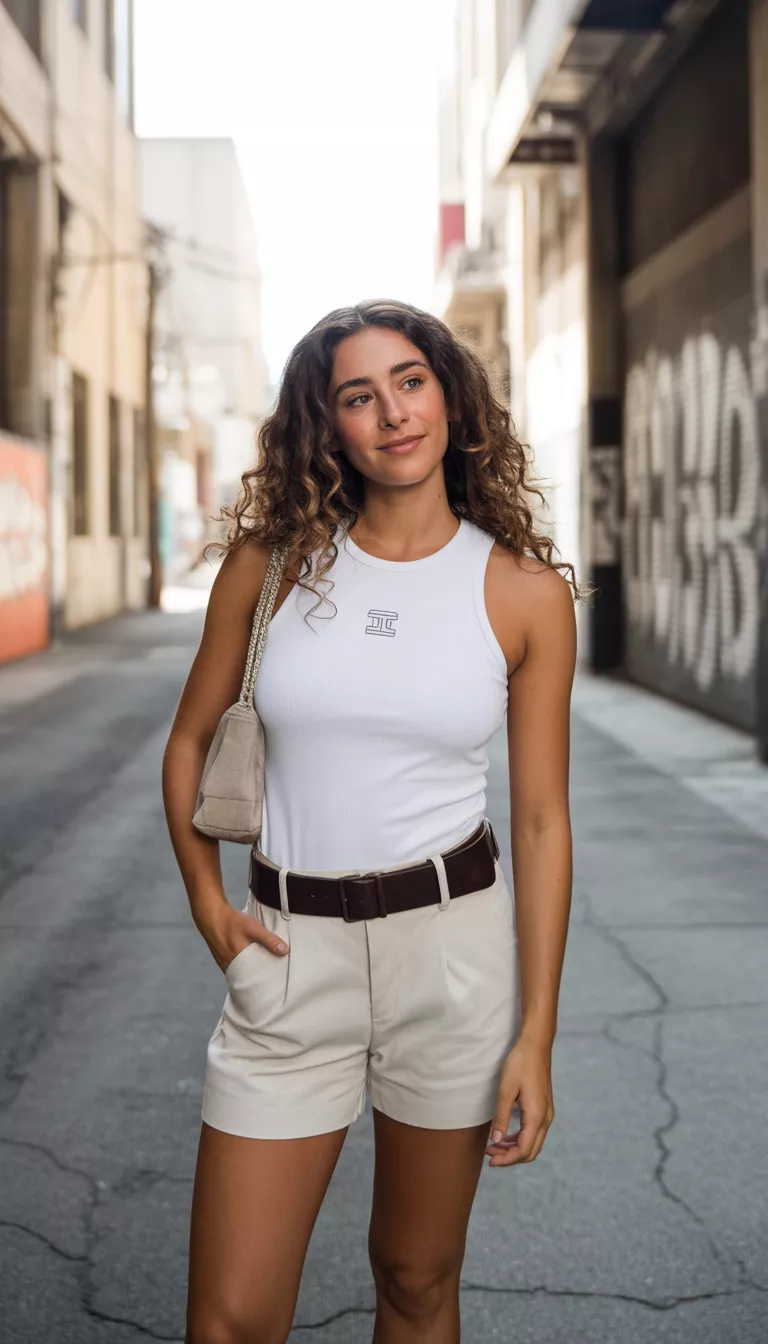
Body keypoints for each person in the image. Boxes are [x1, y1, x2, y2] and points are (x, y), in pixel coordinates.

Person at [162, 298, 578, 1344]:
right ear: (327, 424)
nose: (392, 412)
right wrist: (209, 904)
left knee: (416, 1280)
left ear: (450, 396)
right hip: (289, 956)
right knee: (230, 1322)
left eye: (410, 381)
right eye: (359, 395)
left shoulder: (523, 592)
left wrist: (537, 1030)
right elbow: (187, 744)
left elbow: (539, 819)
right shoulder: (271, 570)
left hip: (453, 958)